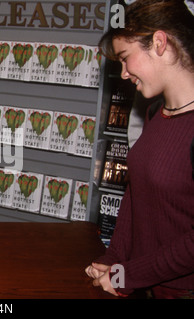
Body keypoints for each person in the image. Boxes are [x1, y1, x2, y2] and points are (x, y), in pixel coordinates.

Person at [85, 0, 194, 298]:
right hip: (145, 286)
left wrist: (127, 274)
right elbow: (136, 195)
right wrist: (113, 258)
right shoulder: (156, 112)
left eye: (125, 57)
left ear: (159, 42)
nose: (123, 73)